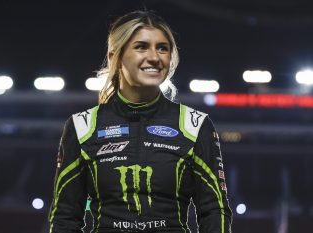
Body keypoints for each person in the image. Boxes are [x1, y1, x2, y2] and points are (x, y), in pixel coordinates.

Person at [49, 10, 232, 233]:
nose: (154, 57)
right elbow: (65, 217)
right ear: (114, 56)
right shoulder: (81, 126)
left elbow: (215, 210)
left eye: (162, 48)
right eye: (141, 47)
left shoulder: (195, 125)